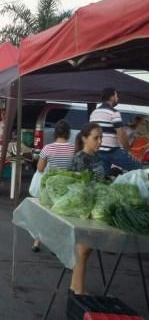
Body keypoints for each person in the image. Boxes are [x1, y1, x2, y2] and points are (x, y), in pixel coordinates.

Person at [69, 122, 105, 294]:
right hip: (84, 212)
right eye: (96, 138)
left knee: (84, 253)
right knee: (83, 252)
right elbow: (77, 189)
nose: (100, 141)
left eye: (101, 138)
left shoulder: (96, 157)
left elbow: (99, 181)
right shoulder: (79, 159)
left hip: (95, 209)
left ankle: (75, 287)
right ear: (84, 138)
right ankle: (79, 292)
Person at [31, 120, 76, 252]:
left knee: (45, 214)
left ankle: (36, 243)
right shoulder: (73, 148)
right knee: (61, 216)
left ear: (55, 133)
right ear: (68, 133)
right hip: (66, 187)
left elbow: (39, 168)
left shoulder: (48, 148)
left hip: (49, 187)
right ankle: (55, 246)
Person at [90, 88, 141, 175]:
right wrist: (128, 151)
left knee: (103, 178)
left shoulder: (94, 113)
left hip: (98, 151)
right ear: (111, 97)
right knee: (137, 168)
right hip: (112, 151)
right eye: (116, 96)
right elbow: (121, 134)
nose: (118, 98)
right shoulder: (113, 113)